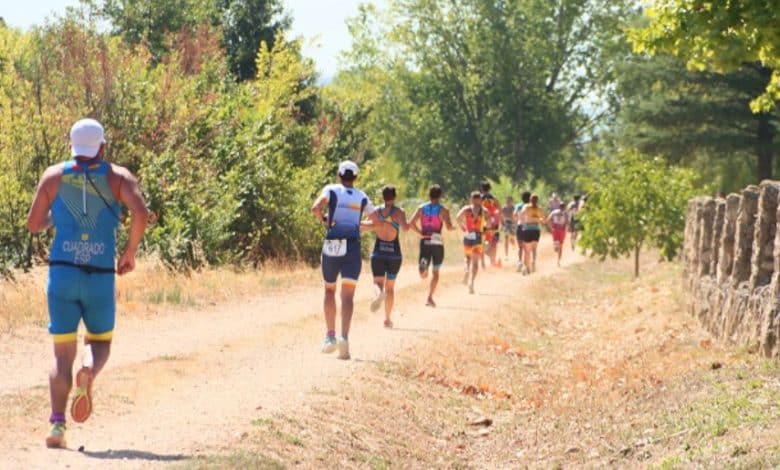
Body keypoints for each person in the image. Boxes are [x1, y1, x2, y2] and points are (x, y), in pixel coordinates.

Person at [27, 118, 149, 449]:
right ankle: (89, 372)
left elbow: (34, 224)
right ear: (103, 147)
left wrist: (57, 217)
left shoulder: (53, 176)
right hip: (99, 275)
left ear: (72, 146)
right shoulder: (118, 177)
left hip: (63, 274)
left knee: (60, 355)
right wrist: (129, 253)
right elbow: (141, 213)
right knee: (100, 343)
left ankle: (56, 426)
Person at [312, 160, 378, 360]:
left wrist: (325, 220)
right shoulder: (361, 196)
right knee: (348, 296)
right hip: (352, 247)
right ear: (355, 177)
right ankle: (344, 338)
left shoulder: (331, 189)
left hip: (332, 244)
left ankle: (330, 336)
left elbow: (316, 208)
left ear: (339, 175)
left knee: (329, 290)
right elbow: (375, 221)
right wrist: (358, 226)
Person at [364, 185, 408, 328]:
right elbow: (406, 229)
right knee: (391, 288)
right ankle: (387, 319)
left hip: (378, 253)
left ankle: (379, 294)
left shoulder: (376, 211)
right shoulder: (399, 212)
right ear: (394, 197)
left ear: (383, 197)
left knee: (377, 283)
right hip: (394, 254)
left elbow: (367, 226)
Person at [408, 184, 454, 307]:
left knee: (424, 268)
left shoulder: (421, 208)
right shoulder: (444, 210)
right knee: (436, 271)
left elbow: (411, 223)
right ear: (440, 196)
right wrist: (454, 228)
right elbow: (449, 227)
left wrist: (420, 233)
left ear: (429, 195)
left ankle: (423, 266)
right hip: (437, 239)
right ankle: (430, 297)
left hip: (425, 239)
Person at [456, 191, 486, 294]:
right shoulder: (483, 210)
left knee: (467, 257)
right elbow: (490, 221)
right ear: (479, 199)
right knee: (476, 262)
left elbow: (457, 217)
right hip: (478, 236)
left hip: (468, 235)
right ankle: (471, 283)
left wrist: (463, 227)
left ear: (471, 199)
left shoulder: (466, 209)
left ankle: (466, 270)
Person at [517, 194, 545, 274]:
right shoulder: (535, 208)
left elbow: (520, 216)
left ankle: (529, 266)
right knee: (531, 249)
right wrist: (537, 220)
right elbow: (543, 220)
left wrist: (525, 222)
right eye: (534, 200)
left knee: (528, 249)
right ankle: (530, 264)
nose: (534, 201)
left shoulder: (528, 207)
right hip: (533, 230)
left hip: (529, 230)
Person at [479, 181, 501, 268]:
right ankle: (492, 261)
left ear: (481, 188)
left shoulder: (479, 198)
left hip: (482, 222)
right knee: (494, 242)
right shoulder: (494, 198)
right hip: (494, 222)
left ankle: (483, 263)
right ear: (489, 188)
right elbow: (499, 209)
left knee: (482, 241)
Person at [513, 191, 531, 271]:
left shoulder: (518, 205)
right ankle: (526, 264)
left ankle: (520, 262)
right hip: (528, 227)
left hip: (519, 226)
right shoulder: (531, 206)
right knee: (527, 247)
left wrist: (517, 220)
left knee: (520, 247)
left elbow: (514, 214)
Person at [546, 202, 568, 267]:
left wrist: (550, 227)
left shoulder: (554, 212)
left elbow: (548, 219)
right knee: (560, 246)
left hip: (556, 229)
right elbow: (567, 222)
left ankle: (558, 261)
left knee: (558, 245)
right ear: (564, 207)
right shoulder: (564, 213)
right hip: (560, 229)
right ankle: (558, 260)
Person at [501, 196, 516, 260]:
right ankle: (506, 255)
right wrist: (502, 224)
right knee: (506, 239)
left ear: (512, 201)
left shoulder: (513, 208)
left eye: (509, 200)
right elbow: (501, 215)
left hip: (512, 224)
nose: (508, 202)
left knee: (511, 237)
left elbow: (515, 216)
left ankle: (513, 244)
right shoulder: (504, 207)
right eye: (507, 200)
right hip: (506, 224)